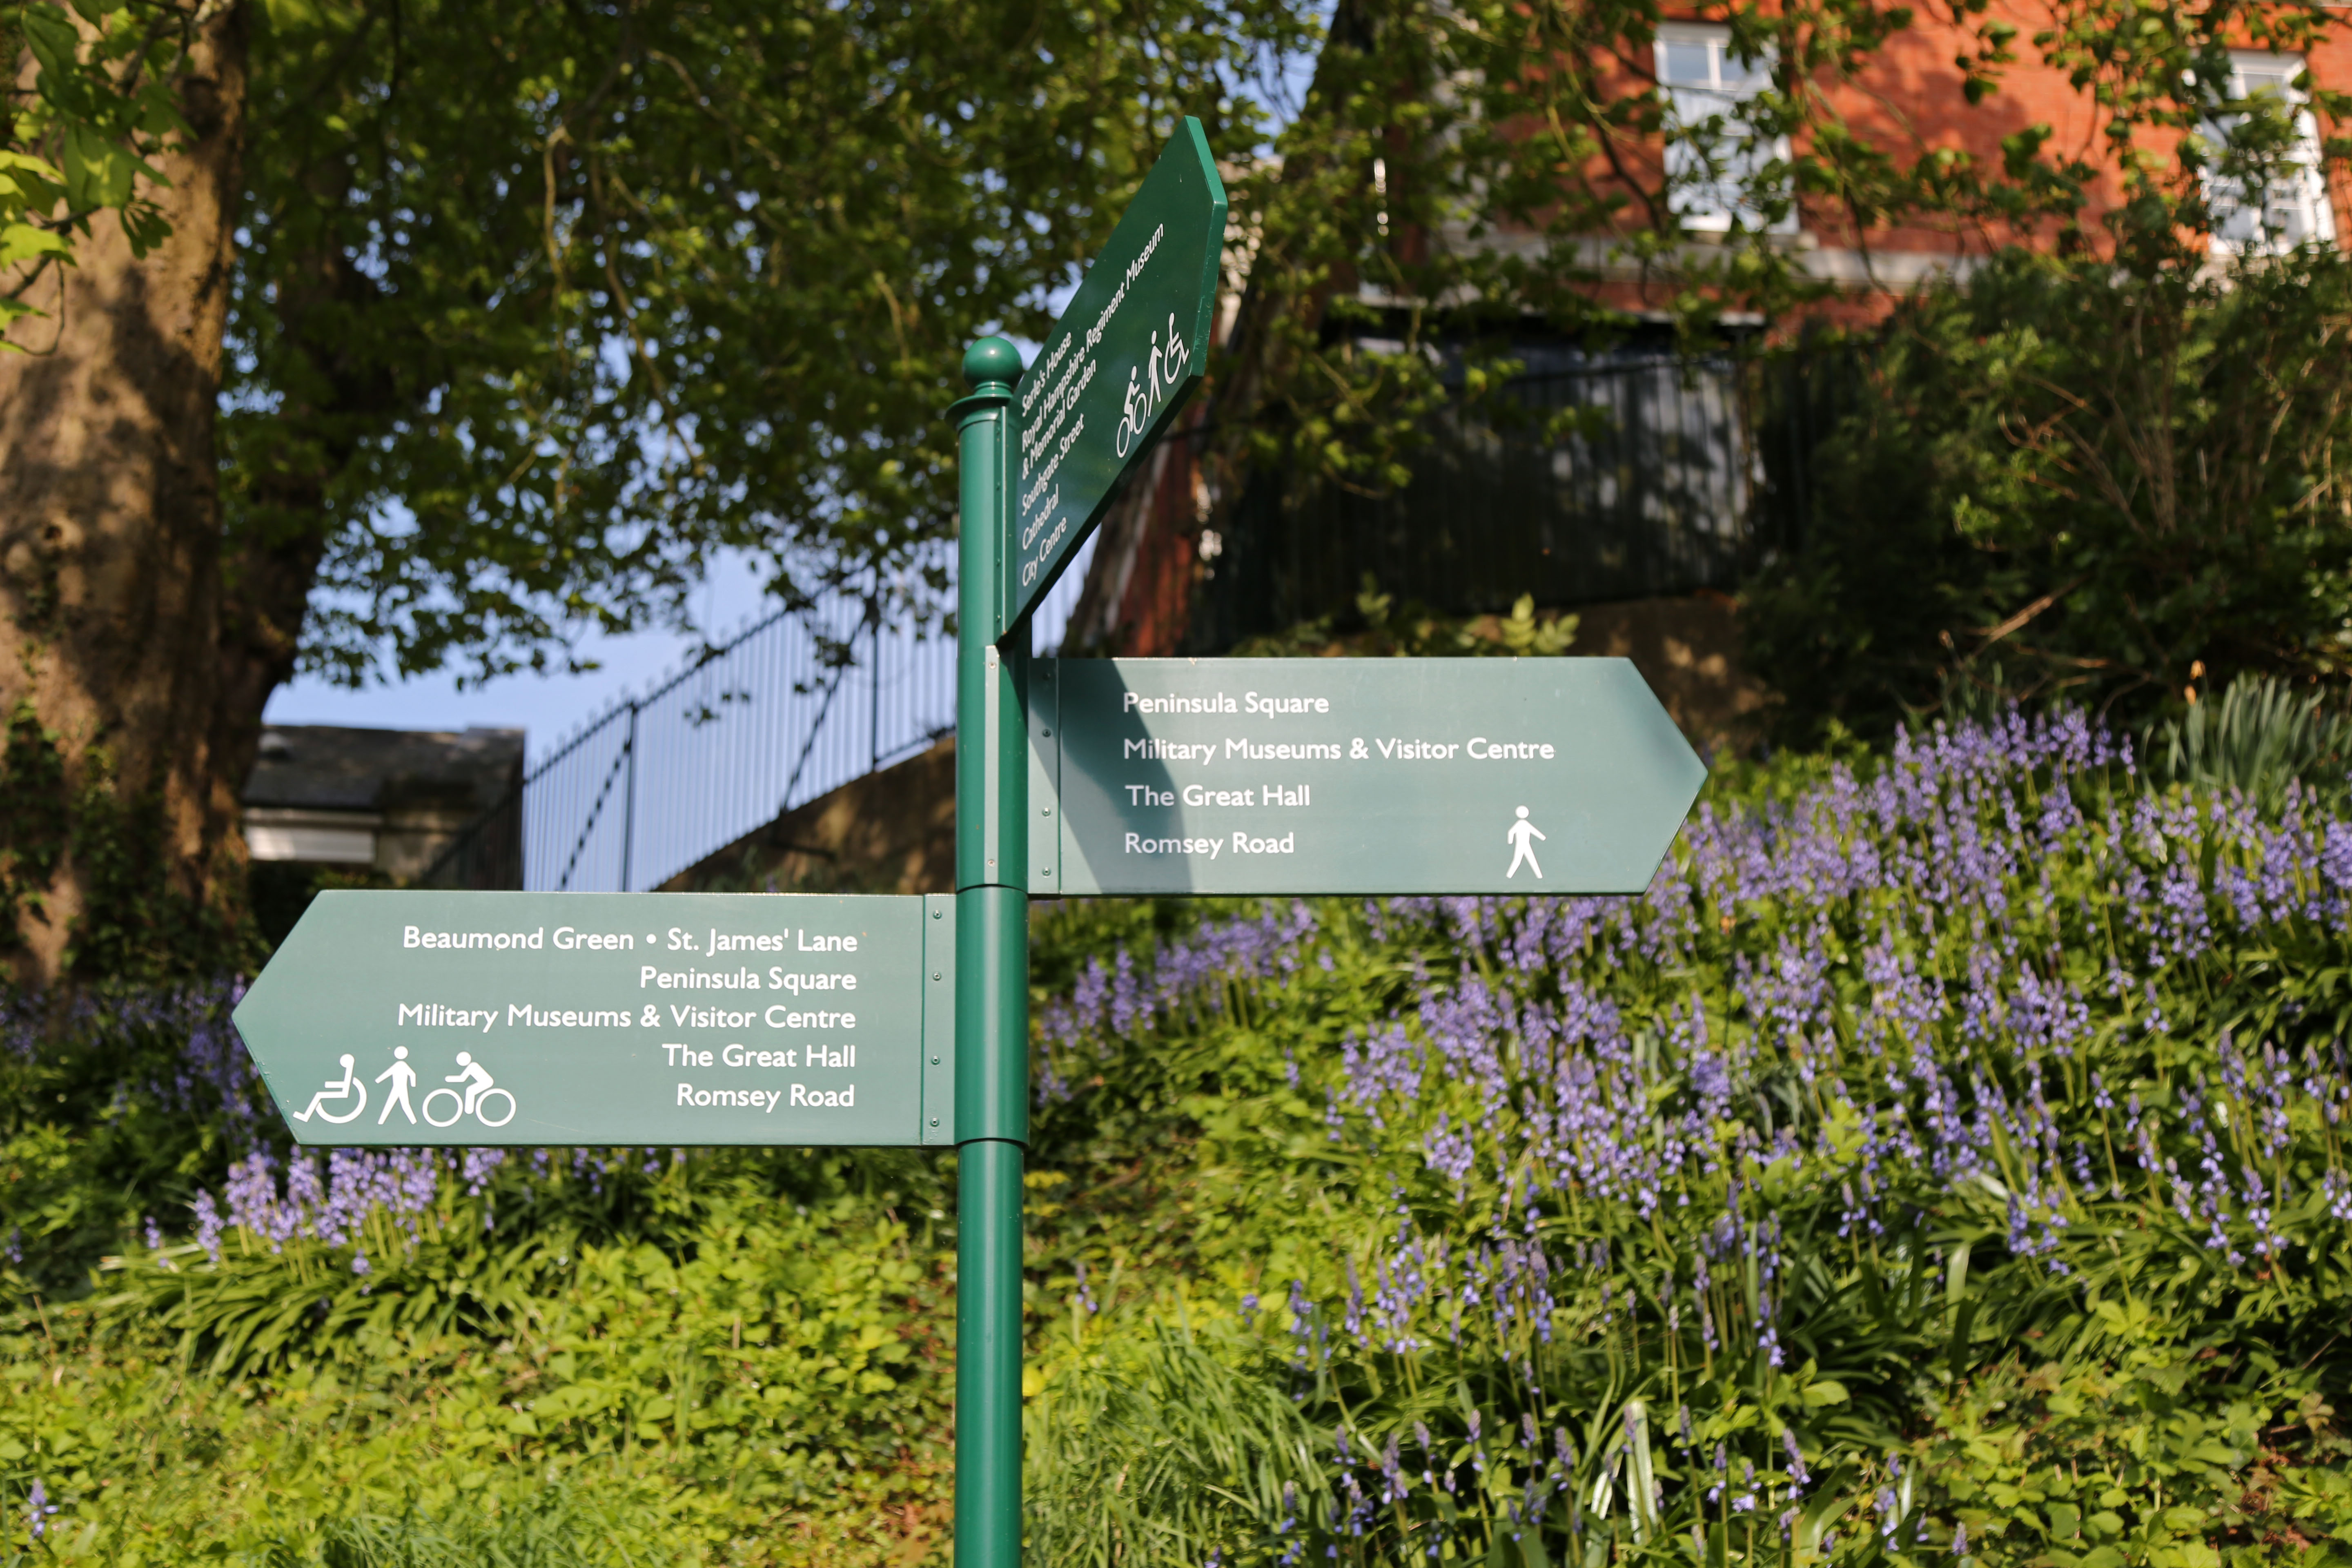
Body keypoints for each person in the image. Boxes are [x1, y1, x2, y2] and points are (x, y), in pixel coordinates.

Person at [294, 1054, 365, 1123]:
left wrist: (330, 1085)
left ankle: (306, 1115)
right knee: (320, 1095)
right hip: (344, 1088)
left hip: (345, 1090)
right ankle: (306, 1115)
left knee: (319, 1095)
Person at [446, 1051, 497, 1117]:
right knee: (470, 1089)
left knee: (470, 1090)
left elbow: (463, 1079)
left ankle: (469, 1111)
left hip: (487, 1082)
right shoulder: (472, 1065)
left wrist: (449, 1079)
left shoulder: (472, 1066)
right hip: (484, 1082)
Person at [376, 1045, 419, 1124]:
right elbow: (388, 1073)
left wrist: (413, 1085)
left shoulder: (402, 1065)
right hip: (396, 1089)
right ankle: (381, 1122)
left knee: (404, 1105)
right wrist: (378, 1080)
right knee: (391, 1105)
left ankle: (414, 1122)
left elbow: (413, 1074)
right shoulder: (399, 1065)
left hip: (401, 1089)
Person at [1506, 806, 1546, 880]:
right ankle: (1509, 876)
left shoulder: (1523, 824)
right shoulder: (1521, 824)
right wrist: (1510, 842)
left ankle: (1539, 876)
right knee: (1518, 861)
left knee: (1531, 860)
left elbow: (1534, 831)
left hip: (1526, 845)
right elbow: (1511, 832)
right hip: (1521, 846)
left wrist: (1543, 838)